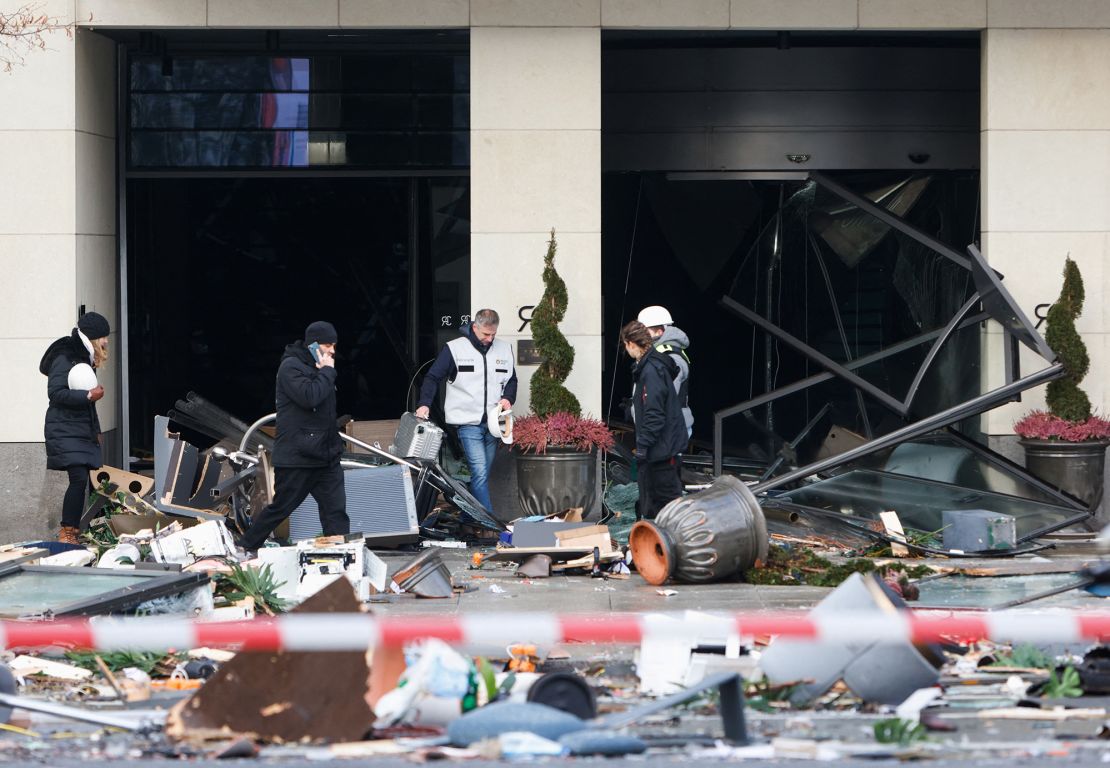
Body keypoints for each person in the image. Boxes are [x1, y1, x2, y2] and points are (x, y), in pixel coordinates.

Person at [238, 321, 349, 551]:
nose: (333, 351)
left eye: (334, 345)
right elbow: (310, 397)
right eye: (329, 344)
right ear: (314, 344)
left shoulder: (321, 367)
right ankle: (245, 546)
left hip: (326, 456)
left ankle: (341, 555)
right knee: (281, 507)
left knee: (335, 511)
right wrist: (327, 371)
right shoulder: (291, 367)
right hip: (298, 457)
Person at [416, 309, 517, 515]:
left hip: (494, 424)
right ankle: (491, 524)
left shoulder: (505, 349)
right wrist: (424, 403)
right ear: (474, 327)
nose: (490, 339)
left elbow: (512, 380)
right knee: (479, 474)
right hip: (467, 423)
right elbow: (432, 377)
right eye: (485, 334)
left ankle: (466, 519)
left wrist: (508, 398)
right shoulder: (454, 349)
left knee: (480, 477)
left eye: (493, 334)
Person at [40, 311, 111, 544]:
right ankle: (67, 532)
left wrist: (96, 430)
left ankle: (75, 530)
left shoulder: (83, 358)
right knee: (79, 478)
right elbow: (56, 393)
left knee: (84, 479)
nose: (106, 341)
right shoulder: (66, 356)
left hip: (80, 428)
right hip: (63, 428)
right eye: (103, 337)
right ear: (92, 337)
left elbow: (88, 406)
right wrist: (89, 394)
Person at [621, 320, 687, 520]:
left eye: (626, 345)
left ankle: (671, 545)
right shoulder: (651, 366)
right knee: (658, 502)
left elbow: (655, 414)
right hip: (661, 448)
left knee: (666, 503)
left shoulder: (651, 370)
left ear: (632, 343)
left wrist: (643, 445)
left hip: (660, 450)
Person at [637, 305, 693, 438]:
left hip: (668, 429)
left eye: (645, 331)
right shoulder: (658, 353)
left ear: (659, 331)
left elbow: (664, 397)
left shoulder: (669, 356)